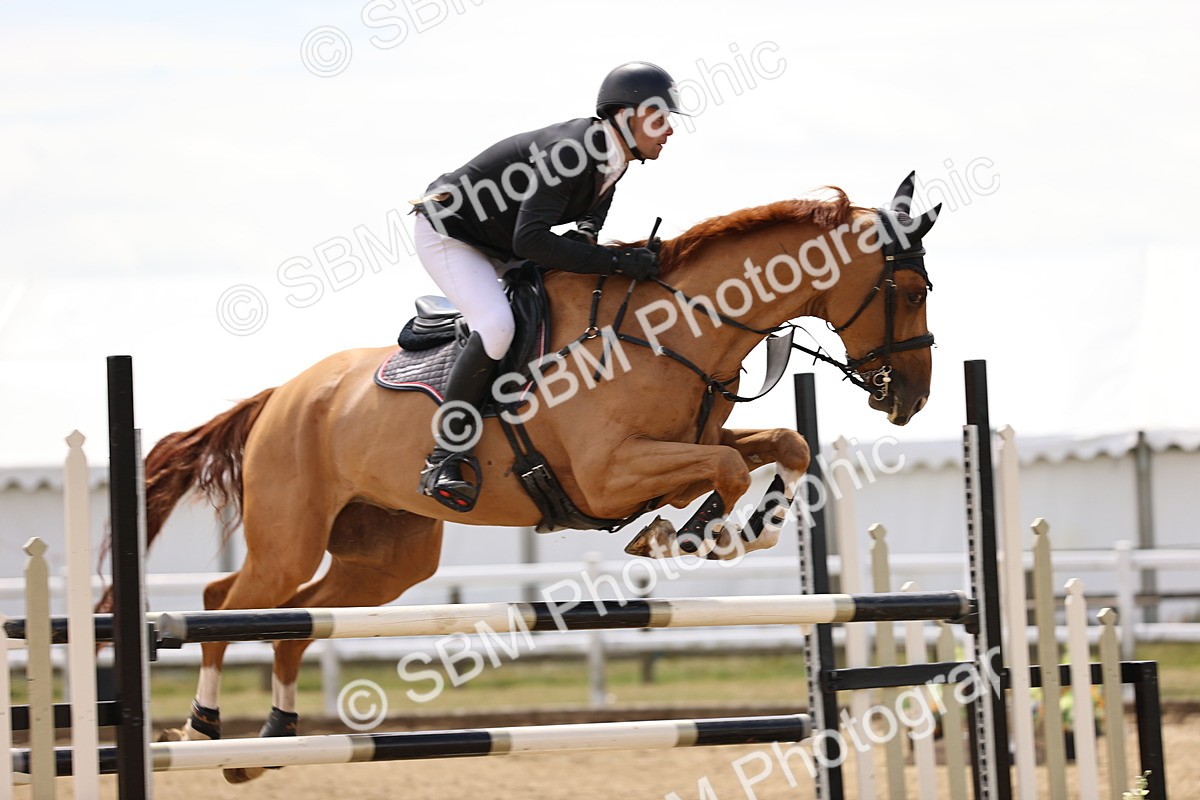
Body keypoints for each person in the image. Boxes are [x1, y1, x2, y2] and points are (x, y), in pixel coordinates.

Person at [411, 61, 686, 512]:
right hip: (452, 234)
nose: (669, 130)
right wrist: (618, 261)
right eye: (659, 117)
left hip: (501, 240)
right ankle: (444, 455)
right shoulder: (570, 152)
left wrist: (592, 240)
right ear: (624, 115)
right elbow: (531, 240)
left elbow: (589, 215)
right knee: (497, 325)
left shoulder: (614, 155)